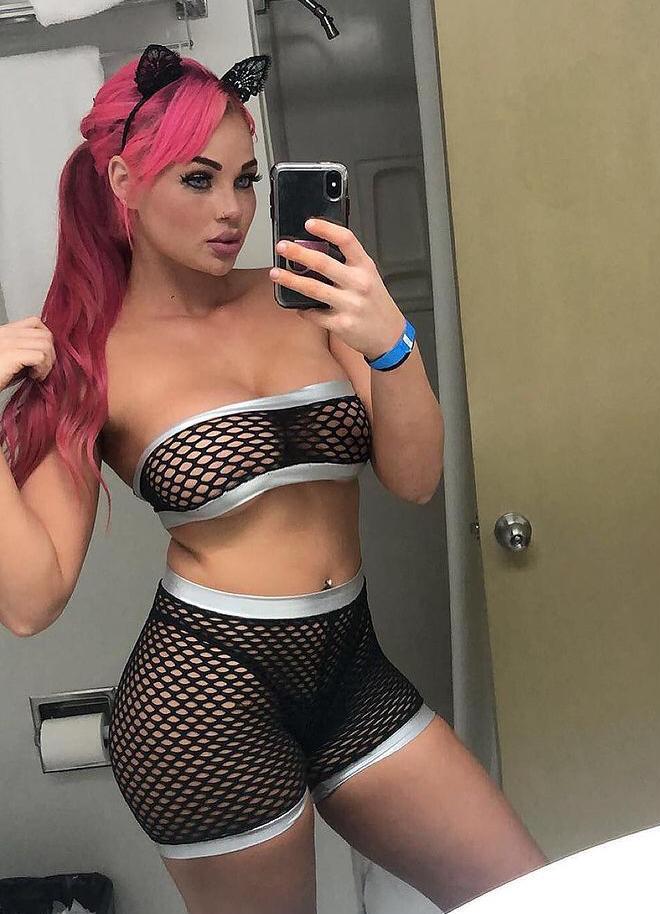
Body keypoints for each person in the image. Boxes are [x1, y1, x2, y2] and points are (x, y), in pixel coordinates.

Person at [0, 45, 546, 914]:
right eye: (199, 179)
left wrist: (390, 341)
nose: (233, 209)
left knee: (533, 895)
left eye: (246, 179)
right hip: (202, 702)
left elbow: (415, 478)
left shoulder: (306, 295)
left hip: (352, 672)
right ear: (124, 181)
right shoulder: (87, 359)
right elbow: (31, 601)